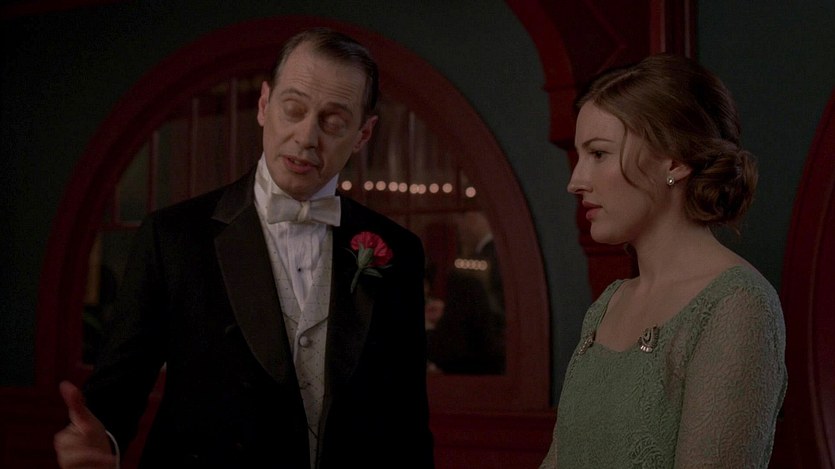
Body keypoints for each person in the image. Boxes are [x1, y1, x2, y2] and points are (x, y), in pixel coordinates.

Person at [53, 28, 434, 469]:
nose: (306, 137)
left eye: (333, 121)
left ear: (364, 134)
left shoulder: (399, 251)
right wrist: (102, 442)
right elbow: (118, 390)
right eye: (293, 109)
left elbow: (407, 422)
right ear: (264, 105)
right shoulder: (172, 237)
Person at [540, 54, 787, 468]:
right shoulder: (609, 303)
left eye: (598, 154)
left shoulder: (737, 304)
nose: (575, 181)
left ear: (674, 160)